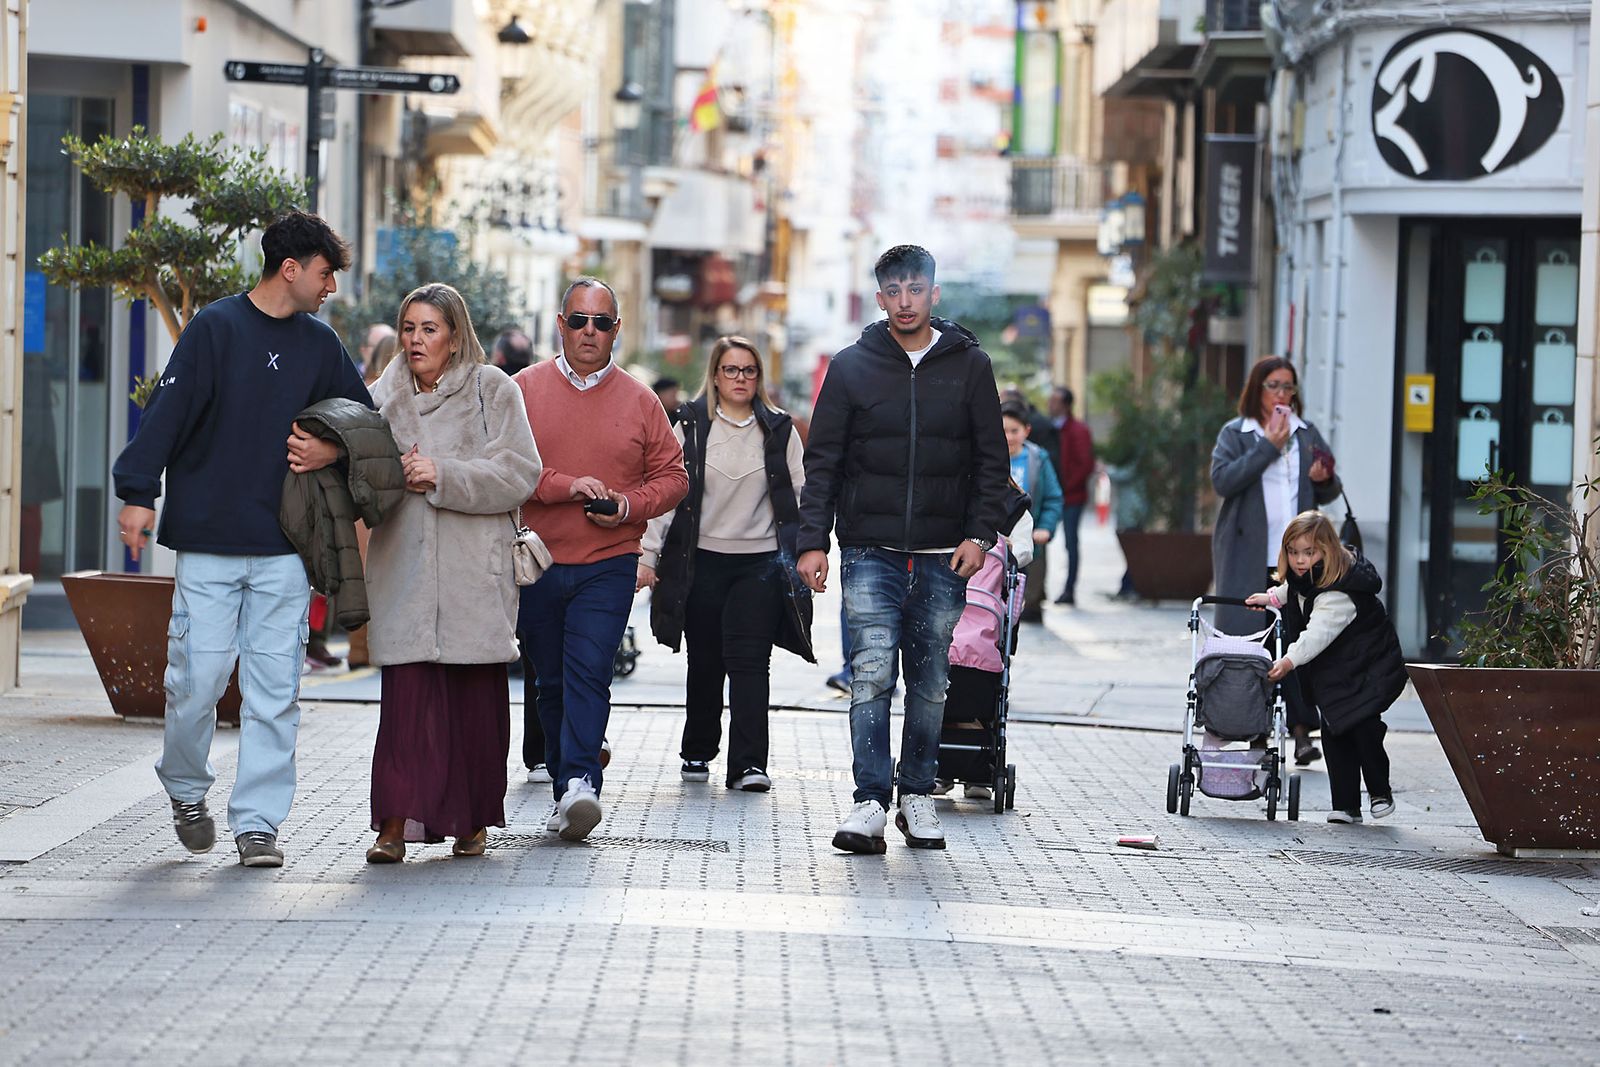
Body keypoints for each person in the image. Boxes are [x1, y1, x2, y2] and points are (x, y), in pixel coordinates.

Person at [112, 210, 372, 869]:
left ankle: (257, 823)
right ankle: (186, 787)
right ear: (291, 268)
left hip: (286, 547)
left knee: (275, 688)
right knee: (196, 680)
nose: (330, 287)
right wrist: (138, 493)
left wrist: (328, 446)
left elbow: (366, 420)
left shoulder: (321, 345)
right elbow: (166, 414)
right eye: (325, 273)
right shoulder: (214, 329)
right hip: (208, 540)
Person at [797, 244, 1009, 854]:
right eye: (894, 290)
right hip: (870, 550)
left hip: (946, 553)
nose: (905, 300)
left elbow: (991, 461)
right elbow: (824, 463)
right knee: (869, 675)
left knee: (932, 678)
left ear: (934, 293)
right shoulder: (851, 367)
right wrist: (814, 542)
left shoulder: (970, 365)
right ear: (880, 296)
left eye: (916, 288)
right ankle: (869, 801)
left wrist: (979, 535)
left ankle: (917, 794)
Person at [361, 283, 542, 863]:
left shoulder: (494, 390)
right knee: (406, 706)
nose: (416, 339)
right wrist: (392, 477)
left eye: (429, 329)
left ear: (456, 335)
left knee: (472, 706)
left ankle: (471, 822)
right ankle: (393, 826)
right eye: (409, 327)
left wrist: (442, 474)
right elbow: (356, 479)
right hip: (405, 568)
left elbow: (520, 473)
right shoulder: (380, 397)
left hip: (474, 574)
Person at [513, 278, 689, 841]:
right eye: (580, 320)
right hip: (535, 559)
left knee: (589, 671)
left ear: (617, 329)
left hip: (609, 560)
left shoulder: (641, 400)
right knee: (550, 680)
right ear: (560, 324)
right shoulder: (520, 390)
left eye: (603, 322)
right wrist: (566, 487)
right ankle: (568, 782)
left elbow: (674, 477)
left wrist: (630, 506)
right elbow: (504, 467)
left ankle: (580, 785)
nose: (590, 331)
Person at [638, 336, 813, 791]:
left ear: (759, 377)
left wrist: (811, 551)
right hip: (700, 563)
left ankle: (749, 765)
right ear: (715, 375)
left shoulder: (779, 428)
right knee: (706, 660)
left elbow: (800, 496)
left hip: (759, 564)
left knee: (751, 661)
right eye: (731, 370)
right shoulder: (690, 424)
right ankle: (698, 751)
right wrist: (648, 556)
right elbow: (668, 496)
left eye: (749, 370)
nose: (740, 379)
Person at [1211, 355, 1341, 765]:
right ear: (1257, 390)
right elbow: (1223, 480)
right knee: (1251, 647)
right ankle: (1253, 729)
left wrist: (1324, 479)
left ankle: (1302, 731)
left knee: (1298, 642)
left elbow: (1330, 489)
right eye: (1274, 386)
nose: (1282, 395)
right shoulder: (1238, 433)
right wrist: (1268, 446)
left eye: (1288, 387)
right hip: (1248, 556)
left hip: (1297, 562)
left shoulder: (1306, 434)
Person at [1246, 511, 1406, 823]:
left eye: (1308, 552)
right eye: (1293, 552)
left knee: (1364, 729)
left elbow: (1318, 633)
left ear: (1327, 550)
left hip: (1369, 667)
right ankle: (1345, 805)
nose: (1299, 560)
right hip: (1337, 671)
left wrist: (1289, 661)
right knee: (1334, 731)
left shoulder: (1339, 591)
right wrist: (1269, 599)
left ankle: (1379, 790)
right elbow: (1293, 591)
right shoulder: (1306, 577)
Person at [934, 479, 1033, 799]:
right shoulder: (948, 486)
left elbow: (1024, 552)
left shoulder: (1013, 505)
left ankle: (972, 768)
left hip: (981, 609)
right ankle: (956, 768)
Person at [1001, 399, 1062, 623]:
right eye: (1003, 430)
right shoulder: (988, 458)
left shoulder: (1038, 459)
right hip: (996, 544)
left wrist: (1046, 527)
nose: (1008, 437)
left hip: (1031, 540)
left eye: (1014, 431)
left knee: (1031, 595)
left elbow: (1053, 498)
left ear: (1026, 431)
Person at [1053, 387, 1093, 606]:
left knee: (1071, 543)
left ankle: (1070, 589)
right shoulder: (1052, 428)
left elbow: (1085, 464)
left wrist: (1065, 487)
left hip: (1071, 497)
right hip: (1056, 496)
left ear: (1066, 405)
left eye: (1056, 401)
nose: (1051, 405)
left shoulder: (1078, 430)